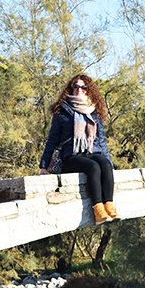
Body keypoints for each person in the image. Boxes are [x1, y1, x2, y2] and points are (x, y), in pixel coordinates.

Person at [39, 74, 119, 224]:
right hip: (71, 156)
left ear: (89, 90)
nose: (79, 90)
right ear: (71, 89)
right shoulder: (61, 110)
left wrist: (109, 161)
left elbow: (101, 140)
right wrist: (43, 166)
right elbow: (52, 140)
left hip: (92, 151)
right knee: (93, 167)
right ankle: (98, 210)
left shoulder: (94, 110)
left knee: (105, 165)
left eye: (83, 87)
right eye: (76, 87)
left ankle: (109, 205)